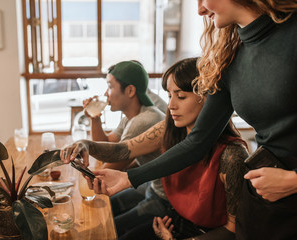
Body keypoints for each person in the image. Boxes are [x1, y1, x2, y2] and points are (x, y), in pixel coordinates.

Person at [64, 1, 297, 239]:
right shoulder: (229, 57)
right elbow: (196, 143)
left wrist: (293, 180)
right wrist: (127, 178)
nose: (199, 10)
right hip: (268, 198)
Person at [61, 58, 248, 239]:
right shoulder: (169, 129)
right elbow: (122, 150)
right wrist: (87, 145)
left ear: (208, 99)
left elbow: (235, 229)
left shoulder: (232, 156)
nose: (172, 105)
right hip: (173, 218)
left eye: (181, 96)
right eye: (169, 95)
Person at [83, 61, 165, 170]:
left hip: (157, 187)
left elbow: (109, 168)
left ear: (130, 90)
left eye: (110, 87)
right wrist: (95, 117)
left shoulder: (142, 121)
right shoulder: (130, 117)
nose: (105, 94)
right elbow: (106, 143)